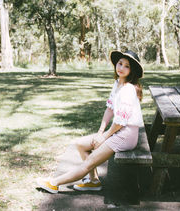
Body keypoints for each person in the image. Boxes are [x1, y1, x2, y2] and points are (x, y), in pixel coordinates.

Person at [36, 50, 144, 193]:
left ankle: (54, 183)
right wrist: (100, 132)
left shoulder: (128, 90)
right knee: (80, 145)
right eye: (120, 63)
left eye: (127, 66)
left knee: (89, 162)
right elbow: (110, 109)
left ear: (132, 71)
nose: (121, 68)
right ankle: (93, 181)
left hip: (126, 135)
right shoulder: (118, 84)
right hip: (117, 131)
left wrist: (104, 137)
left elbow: (120, 122)